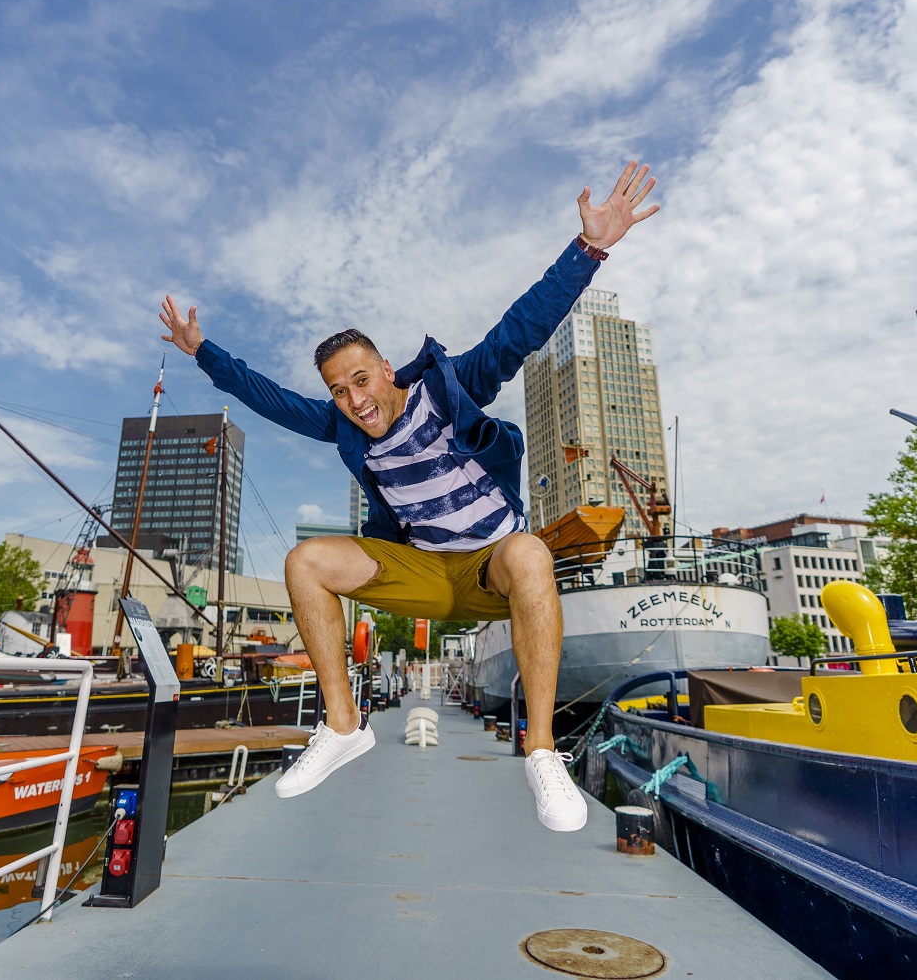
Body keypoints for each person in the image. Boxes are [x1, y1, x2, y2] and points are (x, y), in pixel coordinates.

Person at [160, 162, 659, 832]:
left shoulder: (449, 388)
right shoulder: (343, 424)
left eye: (361, 380)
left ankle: (542, 752)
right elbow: (268, 398)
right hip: (422, 569)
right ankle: (343, 726)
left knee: (530, 554)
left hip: (489, 566)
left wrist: (589, 249)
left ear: (387, 371)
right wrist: (203, 352)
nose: (355, 400)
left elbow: (520, 328)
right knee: (307, 561)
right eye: (340, 391)